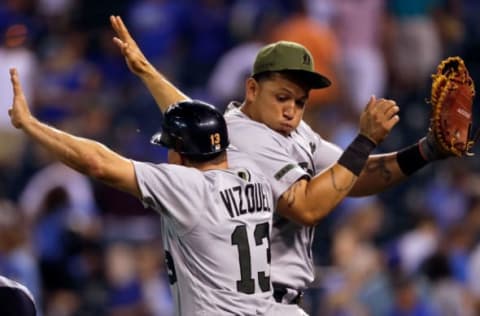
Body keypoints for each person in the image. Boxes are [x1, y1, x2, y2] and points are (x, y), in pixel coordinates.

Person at [110, 15, 448, 305]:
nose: (291, 110)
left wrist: (425, 150)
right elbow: (307, 208)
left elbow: (352, 175)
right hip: (255, 301)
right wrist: (364, 140)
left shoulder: (287, 131)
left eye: (300, 102)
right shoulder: (249, 136)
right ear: (252, 90)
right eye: (282, 97)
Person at [7, 68, 311, 316]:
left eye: (169, 148)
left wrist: (31, 125)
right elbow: (208, 128)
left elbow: (98, 164)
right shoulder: (254, 172)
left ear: (181, 154)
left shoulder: (189, 187)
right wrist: (145, 71)